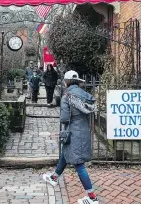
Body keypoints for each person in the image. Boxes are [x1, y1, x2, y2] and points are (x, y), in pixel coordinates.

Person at [43, 70, 99, 204]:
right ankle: (55, 177)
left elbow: (64, 119)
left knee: (79, 164)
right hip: (84, 129)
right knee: (66, 152)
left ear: (67, 81)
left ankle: (92, 197)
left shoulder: (67, 95)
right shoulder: (85, 95)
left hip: (73, 131)